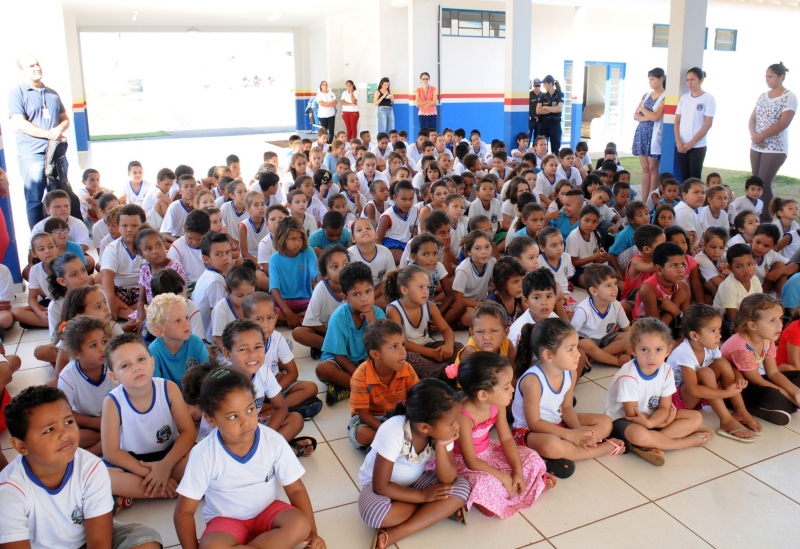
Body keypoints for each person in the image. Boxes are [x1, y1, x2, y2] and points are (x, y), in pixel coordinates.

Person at [173, 367, 325, 549]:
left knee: (300, 525)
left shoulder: (273, 441)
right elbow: (184, 512)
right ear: (210, 419)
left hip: (268, 511)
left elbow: (296, 490)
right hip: (226, 521)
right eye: (233, 416)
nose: (245, 422)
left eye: (250, 410)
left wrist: (313, 534)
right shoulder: (203, 454)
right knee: (211, 546)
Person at [0, 385, 162, 549]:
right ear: (21, 446)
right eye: (49, 430)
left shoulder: (91, 468)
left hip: (85, 540)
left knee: (146, 541)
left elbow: (99, 542)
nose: (65, 434)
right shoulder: (10, 491)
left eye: (68, 422)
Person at [357, 379, 471, 548]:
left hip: (416, 482)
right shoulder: (393, 430)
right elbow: (380, 486)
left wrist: (440, 446)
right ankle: (434, 511)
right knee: (377, 515)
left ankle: (399, 532)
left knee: (461, 487)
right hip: (380, 487)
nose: (456, 427)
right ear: (424, 427)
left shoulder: (443, 433)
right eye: (451, 423)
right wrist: (423, 497)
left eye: (456, 420)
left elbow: (448, 478)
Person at [513, 318, 627, 479]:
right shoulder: (532, 381)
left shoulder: (570, 372)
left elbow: (566, 408)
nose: (578, 354)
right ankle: (601, 448)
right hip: (531, 431)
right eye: (570, 349)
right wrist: (571, 435)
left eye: (576, 347)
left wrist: (577, 429)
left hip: (558, 421)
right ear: (548, 355)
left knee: (605, 422)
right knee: (551, 445)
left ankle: (569, 451)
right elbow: (535, 423)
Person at [444, 352, 553, 517]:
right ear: (482, 395)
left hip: (489, 451)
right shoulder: (463, 417)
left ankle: (516, 487)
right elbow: (471, 461)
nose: (513, 389)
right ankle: (518, 489)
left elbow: (507, 439)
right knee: (484, 483)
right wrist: (503, 477)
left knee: (531, 456)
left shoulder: (497, 404)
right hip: (467, 463)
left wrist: (517, 471)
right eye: (506, 386)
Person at [605, 317, 713, 467]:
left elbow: (664, 407)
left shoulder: (666, 370)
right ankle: (681, 442)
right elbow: (631, 415)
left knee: (695, 417)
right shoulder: (628, 376)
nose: (652, 356)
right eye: (644, 350)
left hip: (652, 418)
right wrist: (657, 423)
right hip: (626, 420)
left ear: (668, 350)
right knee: (640, 435)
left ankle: (653, 442)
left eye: (659, 350)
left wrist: (654, 422)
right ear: (632, 349)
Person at [101, 333, 196, 501]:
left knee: (199, 455)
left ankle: (149, 488)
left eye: (141, 359)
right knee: (103, 477)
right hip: (133, 462)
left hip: (171, 456)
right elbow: (111, 453)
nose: (136, 368)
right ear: (114, 376)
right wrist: (152, 472)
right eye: (125, 365)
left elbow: (188, 433)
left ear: (152, 362)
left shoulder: (169, 389)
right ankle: (171, 488)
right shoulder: (112, 401)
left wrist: (165, 467)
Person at [667, 304, 761, 441]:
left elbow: (726, 364)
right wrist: (726, 393)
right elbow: (693, 389)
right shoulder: (684, 353)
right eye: (713, 331)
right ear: (694, 335)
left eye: (719, 329)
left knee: (722, 364)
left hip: (694, 393)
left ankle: (740, 410)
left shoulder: (709, 347)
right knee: (706, 372)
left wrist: (739, 377)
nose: (719, 335)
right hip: (676, 401)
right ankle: (726, 420)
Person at [8, 55, 71, 228]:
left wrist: (59, 129)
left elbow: (64, 118)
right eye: (31, 66)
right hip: (32, 154)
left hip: (56, 153)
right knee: (35, 200)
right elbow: (20, 123)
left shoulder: (51, 93)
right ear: (22, 71)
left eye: (38, 64)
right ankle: (38, 240)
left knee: (59, 195)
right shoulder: (17, 93)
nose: (37, 68)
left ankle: (61, 235)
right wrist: (48, 134)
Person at [721, 294, 800, 425]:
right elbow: (756, 380)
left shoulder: (767, 339)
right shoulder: (740, 347)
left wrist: (796, 392)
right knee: (774, 396)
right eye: (772, 320)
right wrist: (790, 396)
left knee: (798, 377)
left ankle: (780, 406)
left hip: (754, 380)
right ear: (752, 325)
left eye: (780, 318)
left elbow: (773, 373)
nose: (780, 324)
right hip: (734, 392)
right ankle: (752, 408)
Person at [316, 262, 387, 404]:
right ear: (345, 297)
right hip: (341, 361)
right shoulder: (339, 317)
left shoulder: (378, 313)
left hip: (365, 360)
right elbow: (340, 356)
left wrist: (372, 322)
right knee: (323, 369)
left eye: (368, 292)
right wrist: (360, 376)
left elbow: (382, 346)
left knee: (392, 359)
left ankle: (345, 388)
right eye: (356, 294)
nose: (364, 298)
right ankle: (363, 388)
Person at [243, 292, 322, 419]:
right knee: (246, 405)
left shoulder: (277, 338)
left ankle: (276, 410)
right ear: (246, 321)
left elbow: (292, 372)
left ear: (276, 317)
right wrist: (264, 395)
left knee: (311, 388)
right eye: (258, 319)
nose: (265, 325)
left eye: (270, 318)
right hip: (251, 390)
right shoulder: (243, 344)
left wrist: (273, 391)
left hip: (274, 383)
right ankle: (283, 409)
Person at [349, 319, 420, 450]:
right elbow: (363, 414)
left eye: (403, 344)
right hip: (371, 419)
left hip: (399, 415)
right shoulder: (361, 375)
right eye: (394, 347)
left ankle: (387, 445)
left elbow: (417, 400)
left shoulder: (407, 369)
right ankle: (390, 443)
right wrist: (386, 430)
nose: (403, 351)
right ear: (375, 354)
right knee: (363, 435)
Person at [384, 266, 458, 379]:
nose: (426, 291)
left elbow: (446, 329)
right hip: (407, 351)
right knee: (410, 359)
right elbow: (402, 342)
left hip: (427, 346)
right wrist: (432, 353)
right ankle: (444, 374)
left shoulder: (430, 306)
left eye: (427, 287)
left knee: (458, 347)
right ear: (404, 290)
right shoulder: (394, 309)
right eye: (420, 287)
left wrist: (448, 346)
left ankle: (444, 371)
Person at [57, 316, 115, 455]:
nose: (102, 348)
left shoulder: (115, 365)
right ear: (77, 353)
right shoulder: (67, 377)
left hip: (115, 419)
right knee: (69, 436)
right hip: (87, 423)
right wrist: (96, 423)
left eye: (104, 341)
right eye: (93, 345)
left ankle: (91, 454)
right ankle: (107, 443)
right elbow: (64, 413)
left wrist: (110, 422)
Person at [749, 62, 797, 223]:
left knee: (764, 182)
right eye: (766, 76)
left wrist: (761, 136)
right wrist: (754, 135)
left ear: (781, 77)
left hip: (775, 148)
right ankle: (757, 214)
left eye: (771, 76)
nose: (767, 80)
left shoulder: (789, 96)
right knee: (755, 182)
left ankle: (768, 219)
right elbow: (752, 118)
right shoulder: (763, 96)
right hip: (757, 145)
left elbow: (783, 123)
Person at [148, 293, 209, 388]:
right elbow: (156, 388)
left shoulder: (195, 341)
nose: (186, 324)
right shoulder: (153, 352)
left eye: (187, 318)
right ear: (159, 330)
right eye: (177, 321)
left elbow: (209, 374)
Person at [674, 67, 716, 180]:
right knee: (684, 178)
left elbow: (707, 124)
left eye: (692, 79)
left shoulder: (708, 99)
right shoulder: (684, 98)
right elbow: (677, 121)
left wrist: (691, 143)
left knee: (695, 178)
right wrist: (679, 142)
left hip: (697, 145)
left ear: (701, 80)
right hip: (681, 145)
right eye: (687, 80)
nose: (689, 83)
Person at [632, 68, 666, 202]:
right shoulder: (646, 96)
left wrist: (643, 110)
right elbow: (635, 115)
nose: (650, 82)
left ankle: (652, 200)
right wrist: (648, 116)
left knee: (653, 168)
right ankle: (644, 199)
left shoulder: (665, 96)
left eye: (652, 79)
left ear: (661, 79)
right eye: (649, 79)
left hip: (654, 135)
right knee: (645, 168)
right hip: (642, 133)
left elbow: (657, 117)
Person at [535, 75, 564, 154]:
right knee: (542, 148)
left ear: (550, 83)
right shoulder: (542, 95)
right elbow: (538, 111)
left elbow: (559, 109)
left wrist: (545, 107)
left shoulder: (560, 94)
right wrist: (552, 109)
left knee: (555, 147)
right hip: (543, 124)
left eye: (544, 83)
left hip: (555, 124)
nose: (543, 86)